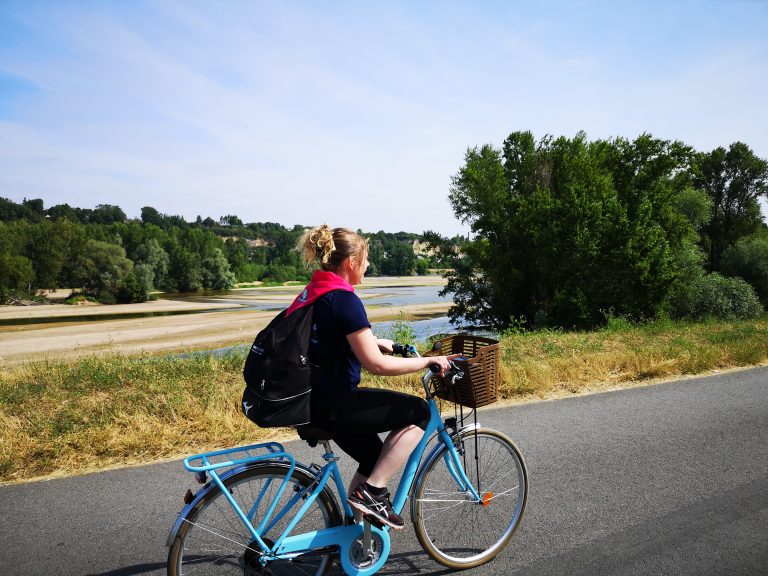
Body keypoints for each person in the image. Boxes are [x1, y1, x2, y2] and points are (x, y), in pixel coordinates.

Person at [287, 224, 456, 530]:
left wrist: (373, 340)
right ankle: (372, 492)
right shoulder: (345, 300)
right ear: (351, 263)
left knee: (374, 456)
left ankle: (355, 534)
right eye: (365, 259)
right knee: (418, 411)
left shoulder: (317, 291)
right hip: (334, 404)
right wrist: (428, 361)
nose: (368, 265)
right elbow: (377, 366)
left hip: (311, 399)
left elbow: (327, 337)